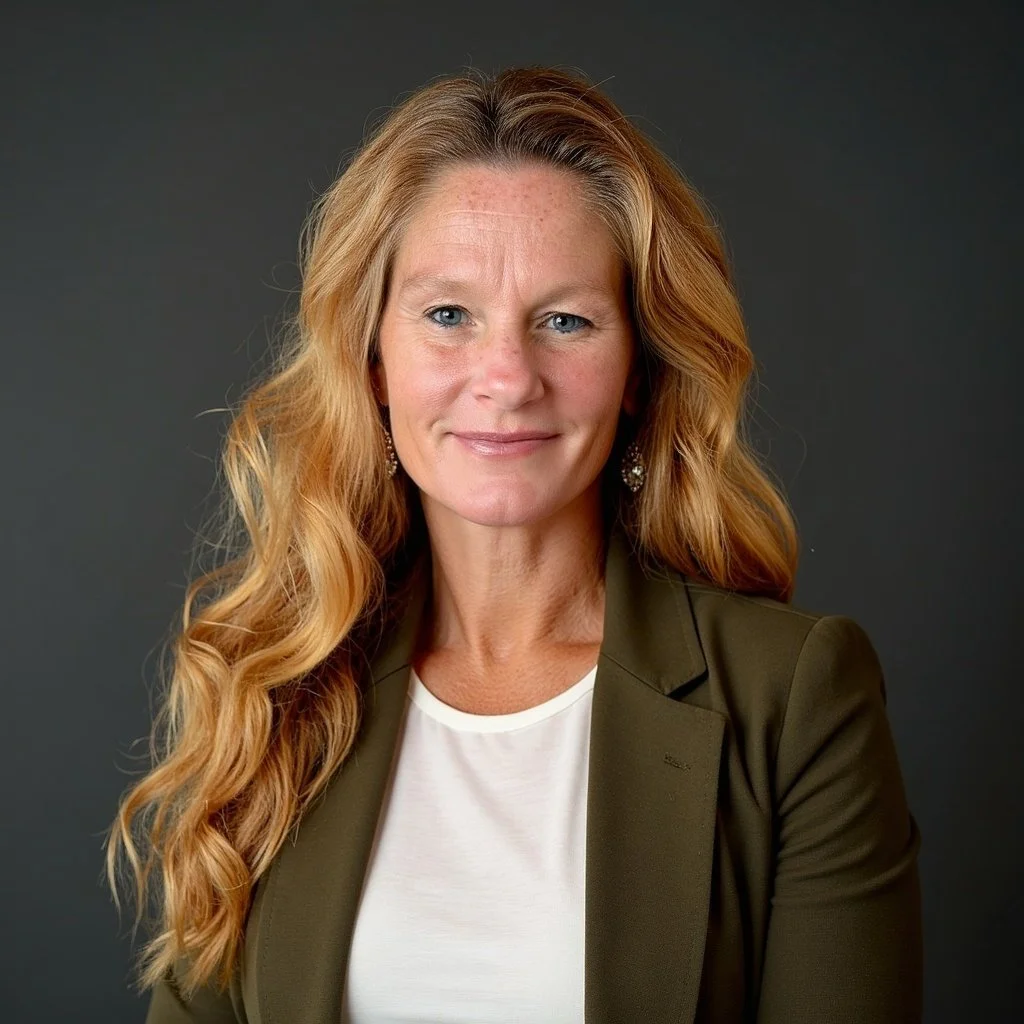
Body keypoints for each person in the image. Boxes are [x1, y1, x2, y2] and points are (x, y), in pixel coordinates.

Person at [107, 65, 923, 1023]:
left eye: (565, 320)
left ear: (636, 371)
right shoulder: (279, 689)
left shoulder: (793, 699)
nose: (505, 375)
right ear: (373, 361)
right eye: (448, 315)